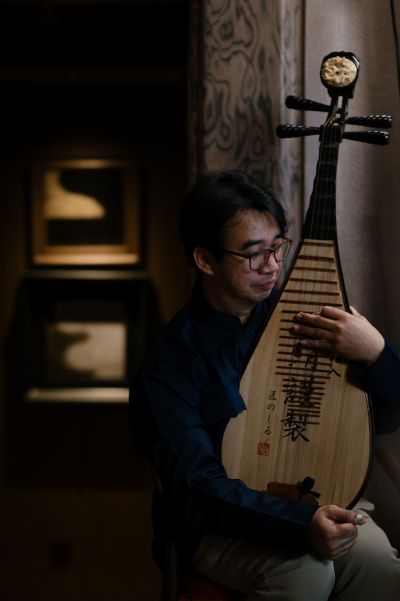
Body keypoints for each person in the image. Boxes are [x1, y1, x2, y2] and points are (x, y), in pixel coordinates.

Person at [129, 170, 400, 600]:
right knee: (304, 571)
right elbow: (196, 488)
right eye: (255, 254)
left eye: (278, 247)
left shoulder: (306, 320)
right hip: (219, 525)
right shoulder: (169, 365)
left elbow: (384, 420)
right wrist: (300, 525)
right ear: (205, 260)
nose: (273, 265)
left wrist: (375, 353)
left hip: (318, 497)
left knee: (378, 561)